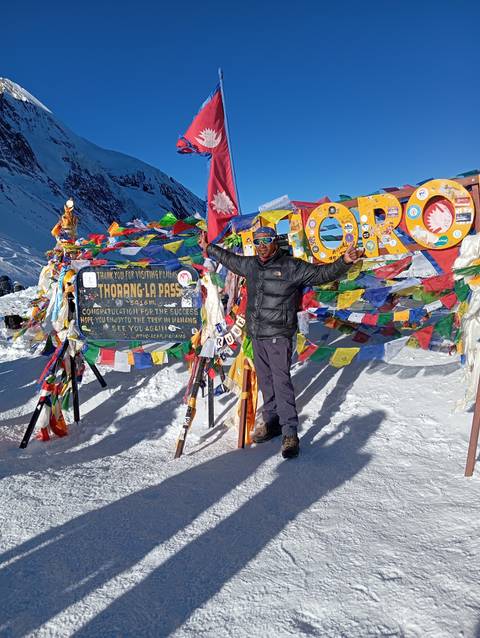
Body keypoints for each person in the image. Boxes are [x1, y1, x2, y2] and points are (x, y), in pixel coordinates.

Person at [198, 226, 363, 459]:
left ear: (275, 241)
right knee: (266, 382)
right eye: (257, 242)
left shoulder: (291, 266)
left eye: (266, 240)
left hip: (278, 335)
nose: (262, 245)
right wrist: (208, 248)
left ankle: (290, 433)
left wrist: (344, 261)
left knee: (281, 382)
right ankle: (272, 423)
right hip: (256, 335)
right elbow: (230, 259)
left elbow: (321, 274)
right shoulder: (251, 265)